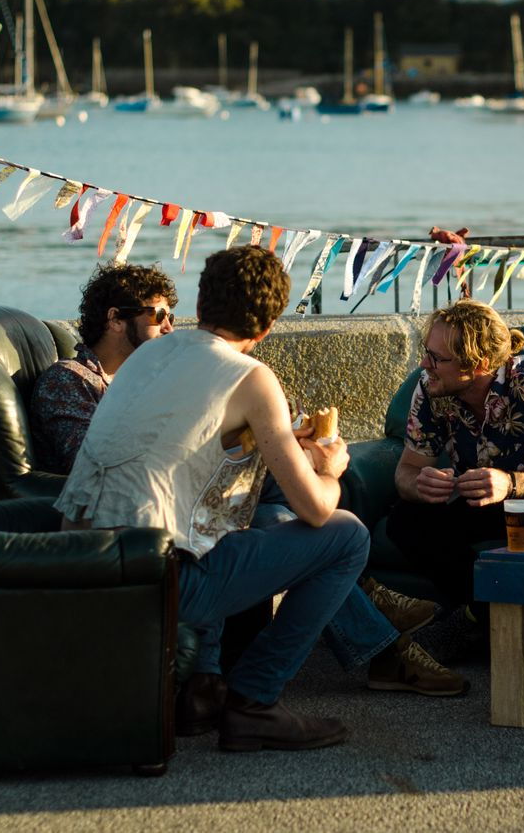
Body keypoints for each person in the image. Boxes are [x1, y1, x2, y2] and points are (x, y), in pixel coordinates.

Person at [54, 247, 461, 753]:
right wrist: (332, 470)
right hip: (155, 580)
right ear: (268, 326)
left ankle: (206, 683)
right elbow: (315, 508)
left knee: (240, 517)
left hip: (78, 562)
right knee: (346, 536)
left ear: (201, 302)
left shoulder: (151, 354)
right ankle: (254, 702)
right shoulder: (250, 377)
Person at [386, 300, 524, 655]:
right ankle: (507, 625)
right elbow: (406, 471)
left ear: (481, 365)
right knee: (405, 520)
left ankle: (471, 625)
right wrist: (419, 483)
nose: (425, 365)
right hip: (487, 502)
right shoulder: (431, 387)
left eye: (438, 359)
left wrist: (511, 483)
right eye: (427, 353)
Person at [30, 262, 178, 475]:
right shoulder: (68, 380)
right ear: (116, 320)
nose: (169, 328)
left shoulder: (142, 382)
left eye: (170, 317)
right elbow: (91, 462)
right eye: (158, 316)